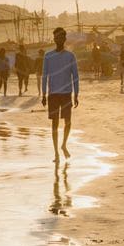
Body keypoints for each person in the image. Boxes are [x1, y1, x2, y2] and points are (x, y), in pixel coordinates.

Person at [41, 25, 80, 160]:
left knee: (68, 122)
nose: (59, 39)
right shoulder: (48, 56)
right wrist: (43, 94)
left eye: (61, 37)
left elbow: (75, 76)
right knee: (55, 123)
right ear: (54, 39)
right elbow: (44, 76)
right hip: (53, 94)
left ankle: (63, 144)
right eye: (56, 37)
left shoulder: (70, 56)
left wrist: (76, 94)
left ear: (64, 39)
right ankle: (56, 152)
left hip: (66, 93)